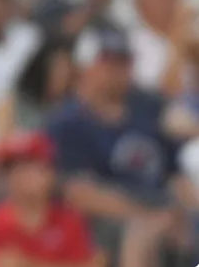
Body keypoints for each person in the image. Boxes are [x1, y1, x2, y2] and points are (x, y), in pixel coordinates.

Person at [45, 22, 188, 267]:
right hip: (108, 218)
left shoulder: (148, 107)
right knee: (137, 235)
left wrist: (180, 212)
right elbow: (78, 193)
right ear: (85, 67)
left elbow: (176, 175)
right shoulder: (66, 123)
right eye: (109, 62)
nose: (119, 70)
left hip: (161, 205)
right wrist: (148, 217)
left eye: (125, 62)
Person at [0, 132, 102, 267]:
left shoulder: (70, 221)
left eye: (32, 166)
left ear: (50, 173)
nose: (23, 176)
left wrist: (27, 264)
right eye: (13, 169)